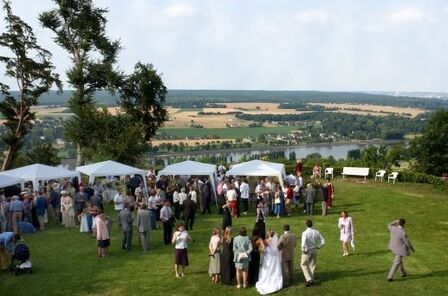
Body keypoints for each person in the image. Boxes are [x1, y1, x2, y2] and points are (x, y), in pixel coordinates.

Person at [256, 230, 283, 294]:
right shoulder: (276, 240)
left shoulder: (266, 241)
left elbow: (263, 249)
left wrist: (260, 249)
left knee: (268, 269)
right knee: (275, 268)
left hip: (268, 258)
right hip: (275, 258)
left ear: (269, 234)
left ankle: (266, 280)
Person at [301, 219, 325, 287]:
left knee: (303, 265)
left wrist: (303, 249)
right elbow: (323, 241)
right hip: (314, 250)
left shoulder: (304, 233)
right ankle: (312, 279)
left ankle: (309, 279)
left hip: (307, 250)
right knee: (312, 265)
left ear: (306, 225)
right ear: (312, 224)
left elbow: (303, 242)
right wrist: (319, 246)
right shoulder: (316, 232)